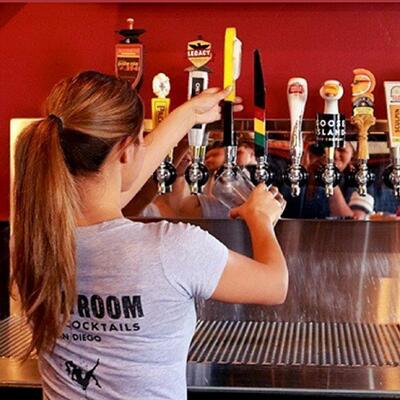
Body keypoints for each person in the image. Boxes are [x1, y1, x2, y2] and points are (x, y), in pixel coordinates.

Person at [11, 71, 288, 400]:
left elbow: (114, 189)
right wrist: (260, 218)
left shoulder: (32, 243)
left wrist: (188, 115)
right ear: (126, 152)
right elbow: (275, 285)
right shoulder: (171, 249)